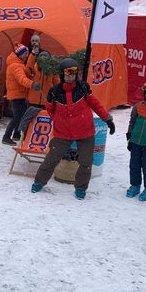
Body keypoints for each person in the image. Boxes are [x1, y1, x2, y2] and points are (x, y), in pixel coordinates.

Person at [30, 58, 115, 200]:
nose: (71, 76)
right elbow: (50, 110)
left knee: (86, 162)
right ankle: (39, 182)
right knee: (51, 159)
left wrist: (107, 119)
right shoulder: (54, 92)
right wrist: (59, 121)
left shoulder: (83, 88)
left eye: (74, 72)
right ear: (62, 74)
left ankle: (81, 188)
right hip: (63, 133)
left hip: (85, 131)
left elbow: (95, 104)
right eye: (68, 72)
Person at [2, 43, 33, 145]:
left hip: (18, 94)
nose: (26, 55)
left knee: (21, 115)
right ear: (19, 54)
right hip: (17, 95)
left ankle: (16, 134)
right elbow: (21, 79)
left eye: (27, 53)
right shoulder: (16, 66)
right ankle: (6, 137)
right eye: (25, 53)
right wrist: (32, 84)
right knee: (17, 116)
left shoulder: (17, 64)